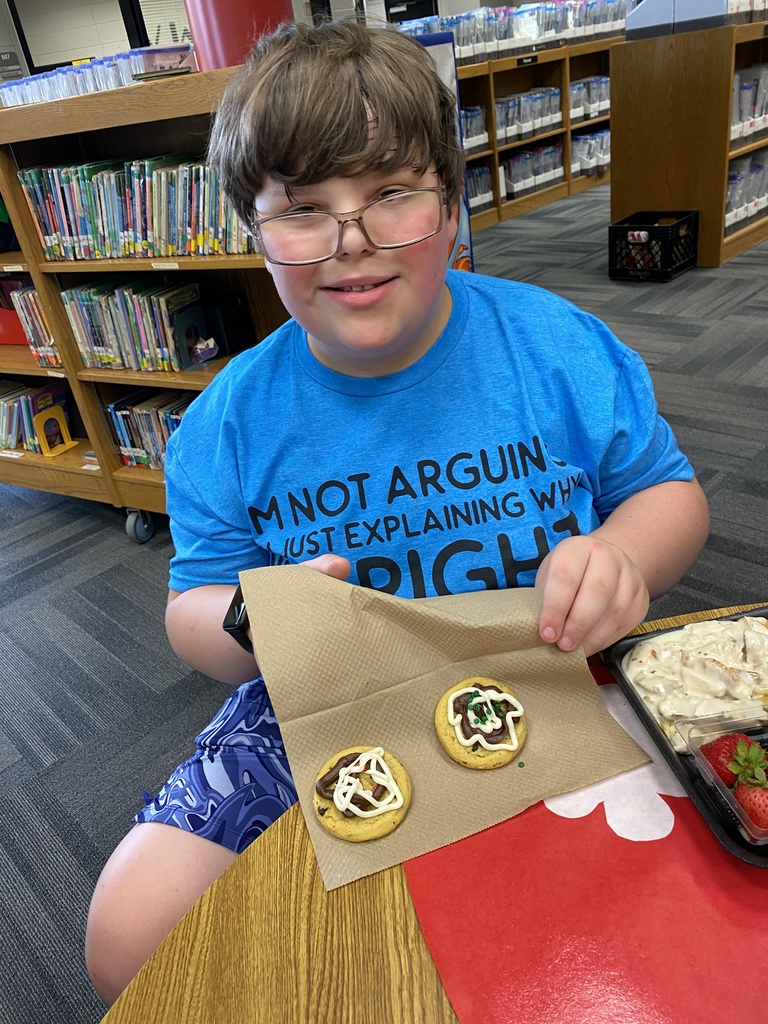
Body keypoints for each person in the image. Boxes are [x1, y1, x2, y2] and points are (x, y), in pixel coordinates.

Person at [85, 17, 710, 1004]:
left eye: (391, 194)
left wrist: (625, 554)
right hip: (321, 699)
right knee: (127, 925)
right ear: (252, 230)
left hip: (548, 663)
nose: (353, 243)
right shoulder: (227, 424)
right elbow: (192, 611)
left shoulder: (558, 346)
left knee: (647, 902)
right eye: (304, 208)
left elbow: (669, 496)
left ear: (454, 204)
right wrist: (259, 617)